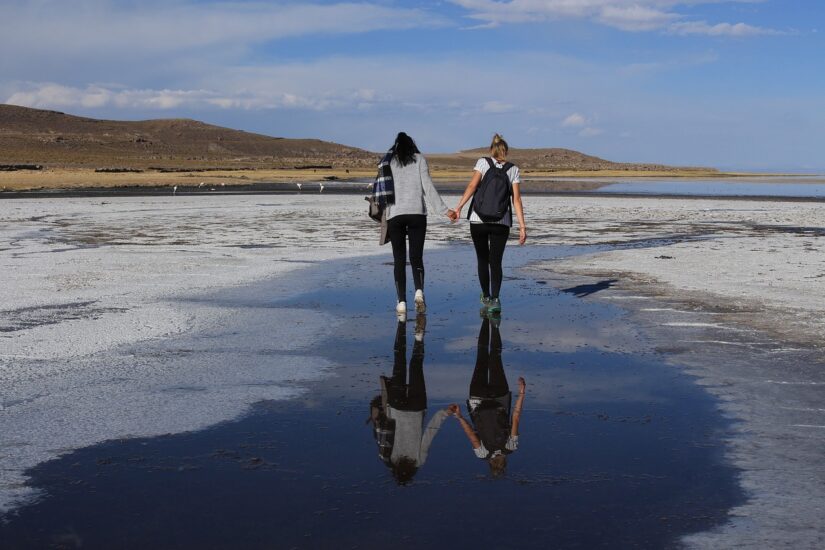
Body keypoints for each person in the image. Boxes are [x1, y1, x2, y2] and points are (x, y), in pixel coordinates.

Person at [373, 132, 456, 317]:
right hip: (417, 214)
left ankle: (401, 302)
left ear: (396, 146)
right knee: (416, 257)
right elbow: (428, 187)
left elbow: (381, 190)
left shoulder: (388, 162)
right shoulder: (419, 159)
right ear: (412, 145)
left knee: (399, 261)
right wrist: (445, 210)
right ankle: (419, 291)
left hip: (395, 215)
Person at [368, 316, 450, 485]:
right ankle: (401, 325)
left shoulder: (418, 461)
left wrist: (445, 413)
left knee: (416, 366)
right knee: (399, 364)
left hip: (416, 408)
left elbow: (429, 433)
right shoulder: (388, 458)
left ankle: (419, 338)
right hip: (396, 407)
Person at [452, 133, 526, 315]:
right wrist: (522, 227)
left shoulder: (483, 163)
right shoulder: (513, 169)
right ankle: (495, 299)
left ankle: (485, 296)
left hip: (478, 220)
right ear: (506, 151)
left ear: (491, 150)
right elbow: (516, 199)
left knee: (482, 259)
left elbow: (471, 186)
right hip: (502, 222)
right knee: (496, 262)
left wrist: (459, 207)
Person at [448, 316, 525, 477]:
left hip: (499, 399)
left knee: (495, 356)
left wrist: (522, 393)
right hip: (478, 400)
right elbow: (471, 434)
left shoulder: (511, 447)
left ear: (504, 463)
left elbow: (515, 418)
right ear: (490, 464)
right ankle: (484, 319)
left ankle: (494, 323)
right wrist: (459, 416)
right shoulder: (482, 455)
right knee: (481, 357)